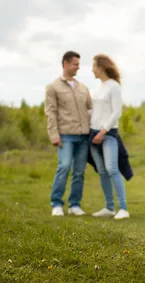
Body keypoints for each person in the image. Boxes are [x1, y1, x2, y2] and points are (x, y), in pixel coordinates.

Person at [45, 51, 92, 216]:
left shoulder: (83, 88)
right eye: (75, 64)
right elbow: (50, 112)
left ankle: (75, 204)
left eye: (79, 64)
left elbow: (90, 109)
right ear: (65, 64)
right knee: (64, 167)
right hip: (65, 135)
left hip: (83, 136)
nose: (78, 67)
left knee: (79, 172)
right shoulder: (53, 87)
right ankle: (56, 203)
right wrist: (54, 135)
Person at [87, 54, 132, 219]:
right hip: (93, 134)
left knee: (112, 169)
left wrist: (103, 132)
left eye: (93, 66)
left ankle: (123, 208)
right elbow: (94, 112)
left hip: (107, 135)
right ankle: (109, 207)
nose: (92, 70)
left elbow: (116, 112)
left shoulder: (114, 87)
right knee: (102, 171)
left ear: (101, 67)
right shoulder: (97, 88)